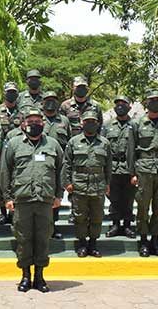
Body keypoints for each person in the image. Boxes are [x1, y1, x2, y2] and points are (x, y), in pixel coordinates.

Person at [0, 107, 63, 293]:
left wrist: (59, 195)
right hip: (22, 200)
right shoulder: (14, 144)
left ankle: (40, 277)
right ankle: (25, 276)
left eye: (38, 121)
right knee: (23, 239)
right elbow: (5, 171)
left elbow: (61, 170)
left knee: (43, 238)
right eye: (30, 121)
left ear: (43, 124)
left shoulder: (52, 144)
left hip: (45, 200)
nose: (34, 125)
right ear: (23, 124)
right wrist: (7, 198)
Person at [130, 89, 158, 257]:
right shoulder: (137, 124)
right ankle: (143, 241)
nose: (155, 102)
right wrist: (132, 173)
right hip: (143, 168)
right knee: (142, 206)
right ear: (146, 103)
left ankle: (155, 241)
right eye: (152, 100)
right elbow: (131, 150)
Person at [63, 110, 112, 258]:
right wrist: (67, 182)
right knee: (80, 216)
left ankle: (93, 244)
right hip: (79, 184)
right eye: (87, 121)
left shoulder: (105, 143)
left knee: (97, 216)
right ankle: (82, 244)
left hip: (98, 184)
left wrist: (108, 184)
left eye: (93, 121)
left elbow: (108, 166)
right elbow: (67, 163)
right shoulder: (74, 142)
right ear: (82, 123)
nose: (90, 124)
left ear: (97, 124)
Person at [102, 95, 137, 238]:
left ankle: (127, 226)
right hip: (112, 167)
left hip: (129, 167)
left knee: (129, 198)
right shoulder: (107, 125)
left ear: (129, 107)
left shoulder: (135, 125)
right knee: (114, 197)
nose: (120, 106)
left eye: (123, 104)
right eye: (117, 104)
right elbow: (102, 147)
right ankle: (115, 225)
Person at [41, 90, 71, 239]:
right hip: (40, 163)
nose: (50, 102)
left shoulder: (64, 121)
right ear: (42, 103)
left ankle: (53, 226)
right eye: (47, 99)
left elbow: (70, 141)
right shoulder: (37, 119)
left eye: (53, 99)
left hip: (59, 163)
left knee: (56, 195)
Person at [0, 81, 22, 225]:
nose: (11, 94)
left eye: (14, 92)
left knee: (15, 183)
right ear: (4, 93)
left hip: (17, 154)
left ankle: (14, 212)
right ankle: (3, 213)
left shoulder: (22, 112)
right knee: (1, 184)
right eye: (8, 92)